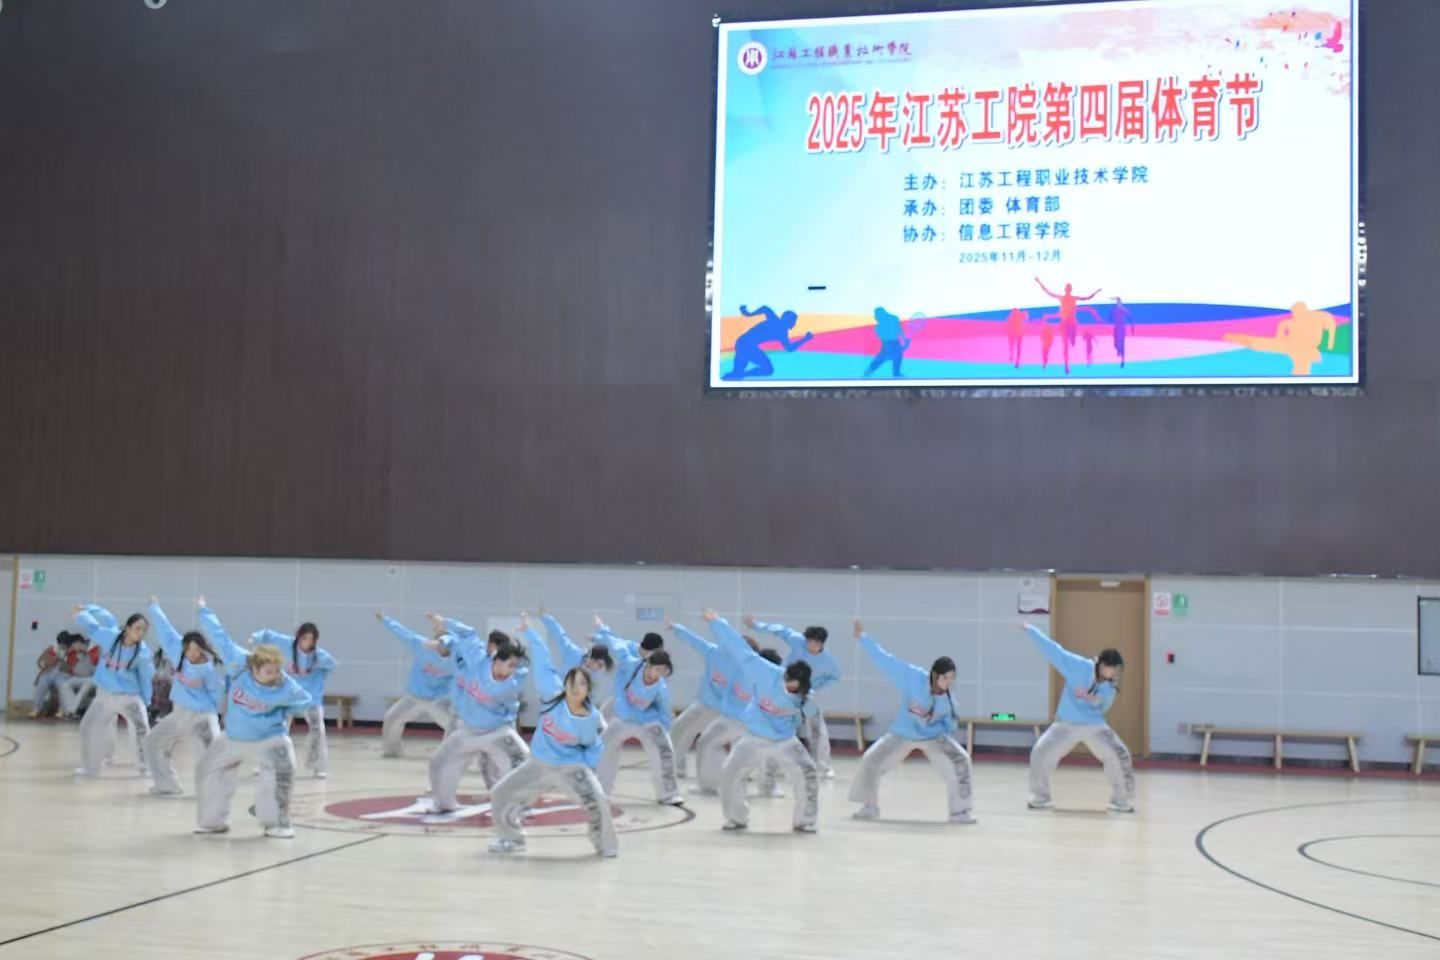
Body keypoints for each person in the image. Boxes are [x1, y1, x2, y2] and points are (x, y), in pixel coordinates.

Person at [488, 624, 616, 857]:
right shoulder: (551, 695)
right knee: (500, 794)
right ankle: (512, 839)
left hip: (571, 768)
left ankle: (605, 845)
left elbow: (594, 746)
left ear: (588, 690)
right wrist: (530, 633)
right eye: (572, 683)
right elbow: (543, 662)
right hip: (538, 764)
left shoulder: (591, 718)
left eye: (582, 684)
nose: (576, 688)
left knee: (598, 801)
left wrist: (587, 769)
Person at [847, 621, 974, 823]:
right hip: (902, 733)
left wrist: (949, 723)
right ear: (935, 675)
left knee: (961, 760)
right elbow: (886, 661)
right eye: (946, 678)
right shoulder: (912, 677)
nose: (949, 683)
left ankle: (960, 812)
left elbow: (950, 724)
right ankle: (869, 807)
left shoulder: (948, 699)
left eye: (952, 678)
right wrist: (863, 638)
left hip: (933, 737)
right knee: (871, 759)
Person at [705, 611, 820, 833]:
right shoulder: (765, 673)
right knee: (730, 773)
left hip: (785, 740)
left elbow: (810, 721)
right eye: (788, 684)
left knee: (807, 774)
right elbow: (740, 649)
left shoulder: (807, 698)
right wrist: (717, 623)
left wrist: (807, 742)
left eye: (794, 688)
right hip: (754, 736)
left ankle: (805, 821)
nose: (789, 689)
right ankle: (736, 818)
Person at [194, 633, 312, 838]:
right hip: (234, 736)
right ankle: (213, 822)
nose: (274, 675)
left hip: (270, 737)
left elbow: (305, 700)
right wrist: (205, 616)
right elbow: (222, 638)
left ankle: (277, 823)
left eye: (277, 671)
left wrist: (284, 706)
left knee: (283, 771)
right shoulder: (240, 671)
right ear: (255, 669)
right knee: (207, 768)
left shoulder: (285, 685)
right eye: (269, 672)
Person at [1020, 623, 1134, 812]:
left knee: (1119, 754)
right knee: (1041, 752)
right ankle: (1040, 797)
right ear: (1102, 665)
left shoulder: (1110, 685)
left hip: (1095, 725)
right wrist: (1032, 631)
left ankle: (1121, 800)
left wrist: (1093, 699)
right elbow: (1054, 651)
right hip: (1066, 723)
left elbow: (1104, 706)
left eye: (1116, 670)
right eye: (1111, 669)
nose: (1114, 673)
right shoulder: (1078, 666)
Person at [425, 623, 529, 813]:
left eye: (515, 666)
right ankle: (445, 804)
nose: (512, 670)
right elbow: (466, 635)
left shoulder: (511, 684)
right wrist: (444, 629)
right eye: (510, 665)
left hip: (497, 731)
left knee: (520, 762)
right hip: (467, 730)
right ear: (497, 660)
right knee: (439, 764)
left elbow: (509, 705)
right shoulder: (478, 661)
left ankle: (519, 807)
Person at [591, 616, 682, 805]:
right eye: (655, 669)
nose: (657, 674)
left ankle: (668, 794)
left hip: (646, 720)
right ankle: (600, 791)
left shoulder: (660, 688)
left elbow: (664, 712)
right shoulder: (629, 662)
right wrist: (602, 628)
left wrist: (664, 728)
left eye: (662, 671)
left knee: (664, 749)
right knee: (604, 747)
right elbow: (614, 643)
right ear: (647, 663)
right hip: (622, 717)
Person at [142, 598, 226, 796]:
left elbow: (217, 694)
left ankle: (213, 792)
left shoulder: (209, 669)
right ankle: (167, 785)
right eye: (189, 649)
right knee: (153, 741)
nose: (193, 654)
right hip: (179, 714)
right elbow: (166, 630)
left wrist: (219, 717)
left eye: (197, 650)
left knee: (212, 754)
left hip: (203, 717)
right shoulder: (178, 654)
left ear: (203, 649)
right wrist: (154, 607)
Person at [746, 615, 841, 778]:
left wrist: (815, 685)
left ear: (822, 644)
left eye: (815, 643)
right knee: (779, 726)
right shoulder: (797, 641)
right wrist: (757, 625)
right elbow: (780, 630)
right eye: (809, 642)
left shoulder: (828, 660)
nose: (811, 646)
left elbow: (834, 676)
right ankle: (773, 767)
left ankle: (823, 766)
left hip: (806, 695)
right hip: (784, 691)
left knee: (817, 729)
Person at [72, 605, 154, 777]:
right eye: (137, 628)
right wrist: (83, 612)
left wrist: (147, 700)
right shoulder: (110, 637)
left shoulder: (142, 652)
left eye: (143, 630)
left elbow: (145, 677)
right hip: (104, 696)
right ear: (127, 628)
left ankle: (145, 766)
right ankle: (90, 767)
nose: (140, 633)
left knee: (141, 729)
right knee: (87, 727)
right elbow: (94, 626)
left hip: (129, 697)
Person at [253, 623, 334, 780]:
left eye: (311, 639)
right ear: (298, 637)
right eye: (304, 638)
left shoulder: (320, 656)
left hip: (310, 698)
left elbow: (330, 665)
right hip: (288, 696)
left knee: (318, 730)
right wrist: (256, 637)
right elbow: (269, 635)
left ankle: (318, 766)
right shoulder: (288, 644)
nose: (307, 643)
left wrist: (317, 682)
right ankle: (267, 763)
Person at [666, 617, 741, 780]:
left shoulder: (740, 661)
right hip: (702, 704)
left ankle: (728, 773)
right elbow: (694, 641)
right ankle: (677, 766)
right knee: (678, 729)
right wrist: (677, 628)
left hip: (723, 711)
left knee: (712, 741)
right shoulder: (712, 652)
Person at [376, 613, 457, 757]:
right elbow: (403, 633)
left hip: (439, 700)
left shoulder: (457, 659)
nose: (441, 648)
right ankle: (391, 751)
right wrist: (385, 620)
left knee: (454, 726)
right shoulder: (422, 646)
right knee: (392, 717)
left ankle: (452, 755)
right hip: (415, 697)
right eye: (439, 643)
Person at [723, 304, 814, 380]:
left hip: (742, 343)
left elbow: (765, 309)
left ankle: (739, 375)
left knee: (737, 374)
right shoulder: (780, 329)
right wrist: (805, 339)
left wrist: (749, 314)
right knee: (767, 369)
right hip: (746, 345)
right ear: (788, 320)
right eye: (793, 321)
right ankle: (741, 374)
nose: (794, 324)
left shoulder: (778, 325)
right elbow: (790, 348)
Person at [56, 634, 100, 718]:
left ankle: (71, 710)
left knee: (86, 685)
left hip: (95, 678)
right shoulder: (78, 654)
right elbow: (77, 671)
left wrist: (85, 652)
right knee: (64, 684)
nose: (73, 647)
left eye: (73, 645)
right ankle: (72, 710)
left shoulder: (95, 649)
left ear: (78, 643)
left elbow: (92, 671)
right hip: (83, 678)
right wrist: (64, 659)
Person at [30, 632, 70, 718]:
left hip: (62, 674)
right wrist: (54, 658)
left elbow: (69, 669)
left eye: (64, 644)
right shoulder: (52, 648)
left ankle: (62, 710)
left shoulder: (70, 651)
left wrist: (63, 660)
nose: (62, 646)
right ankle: (36, 709)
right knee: (42, 683)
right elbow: (40, 662)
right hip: (49, 673)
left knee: (63, 686)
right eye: (60, 644)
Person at [863, 307, 910, 378]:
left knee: (872, 368)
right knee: (896, 370)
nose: (875, 318)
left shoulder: (879, 328)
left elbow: (898, 331)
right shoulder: (881, 327)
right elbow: (898, 331)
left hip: (890, 346)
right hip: (892, 346)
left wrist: (904, 342)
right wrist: (905, 343)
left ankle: (865, 376)